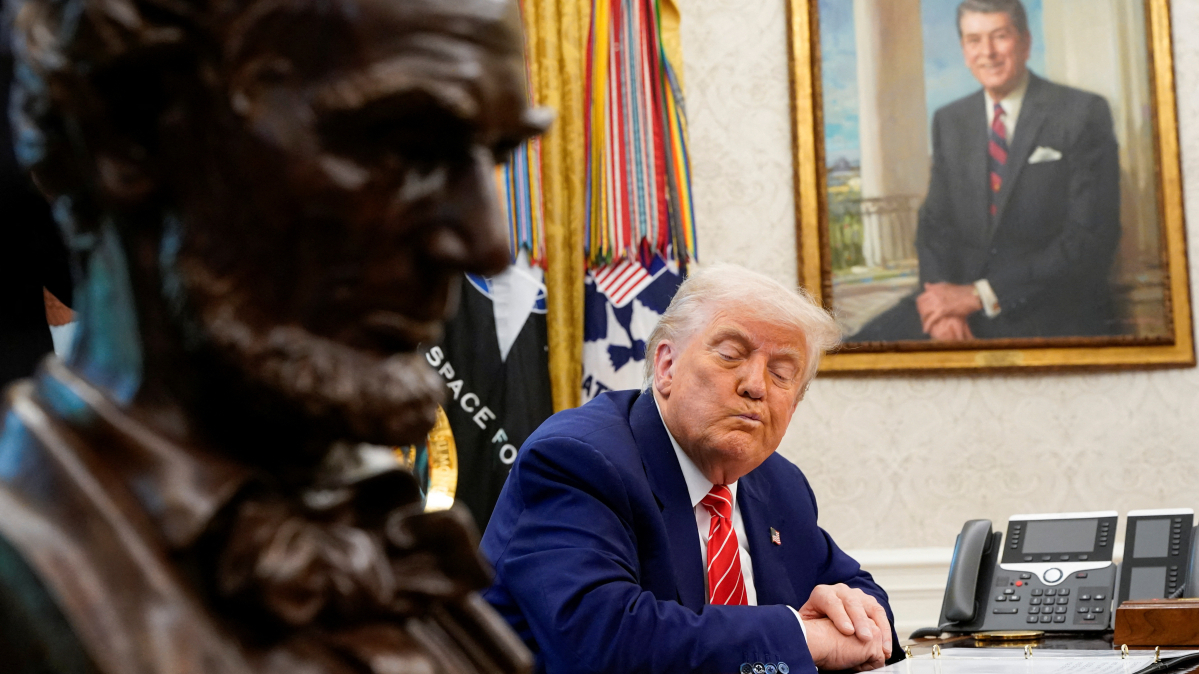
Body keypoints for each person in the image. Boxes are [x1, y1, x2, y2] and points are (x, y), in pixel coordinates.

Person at [0, 0, 549, 671]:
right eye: (402, 148)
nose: (487, 244)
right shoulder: (26, 569)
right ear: (131, 135)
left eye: (493, 156)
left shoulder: (399, 544)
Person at [482, 264, 904, 674]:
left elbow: (864, 596)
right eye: (731, 355)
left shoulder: (780, 483)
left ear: (792, 407)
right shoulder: (578, 460)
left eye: (781, 374)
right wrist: (803, 637)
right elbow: (601, 643)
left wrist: (851, 614)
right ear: (666, 366)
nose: (756, 386)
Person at [851, 0, 1121, 342]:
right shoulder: (951, 120)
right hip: (956, 301)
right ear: (964, 51)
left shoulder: (1081, 113)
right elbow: (934, 225)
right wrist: (942, 306)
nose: (988, 52)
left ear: (1025, 42)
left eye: (1000, 36)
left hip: (1045, 305)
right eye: (974, 40)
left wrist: (980, 295)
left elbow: (1089, 238)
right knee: (848, 353)